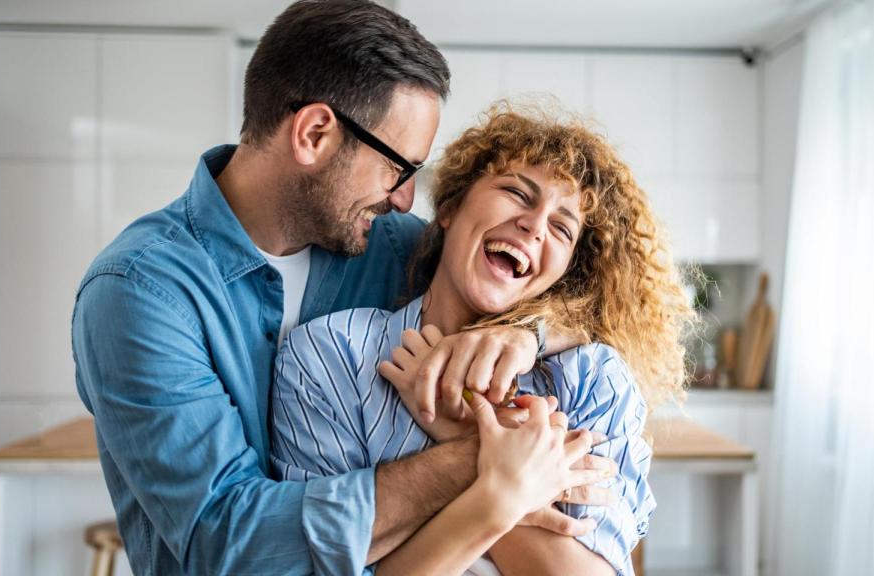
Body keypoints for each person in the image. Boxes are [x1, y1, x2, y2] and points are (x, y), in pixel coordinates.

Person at [71, 1, 608, 574]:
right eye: (398, 168)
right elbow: (226, 544)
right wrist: (483, 456)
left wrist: (528, 334)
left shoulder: (393, 243)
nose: (405, 198)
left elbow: (563, 293)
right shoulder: (139, 292)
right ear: (314, 133)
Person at [270, 104, 697, 575]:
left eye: (561, 227)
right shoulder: (333, 355)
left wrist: (474, 441)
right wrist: (510, 486)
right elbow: (318, 562)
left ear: (565, 268)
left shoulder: (591, 376)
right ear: (450, 207)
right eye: (517, 193)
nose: (535, 226)